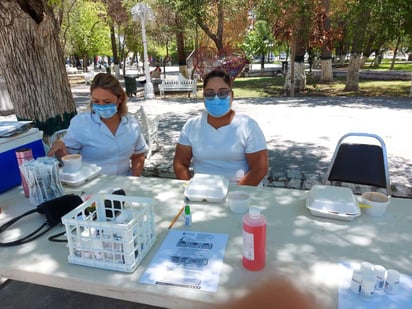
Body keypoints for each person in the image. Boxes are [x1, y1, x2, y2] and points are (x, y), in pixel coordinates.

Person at [173, 70, 268, 186]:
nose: (216, 98)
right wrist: (190, 189)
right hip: (202, 193)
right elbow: (180, 164)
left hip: (241, 194)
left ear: (231, 96)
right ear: (203, 97)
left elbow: (259, 169)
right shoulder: (191, 126)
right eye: (210, 93)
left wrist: (235, 195)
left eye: (222, 93)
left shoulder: (248, 126)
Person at [48, 73, 148, 176]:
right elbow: (67, 158)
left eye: (107, 101)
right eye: (96, 101)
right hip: (91, 184)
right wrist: (60, 149)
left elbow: (138, 155)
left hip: (124, 182)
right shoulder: (81, 123)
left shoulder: (131, 124)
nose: (101, 106)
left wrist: (134, 178)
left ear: (120, 99)